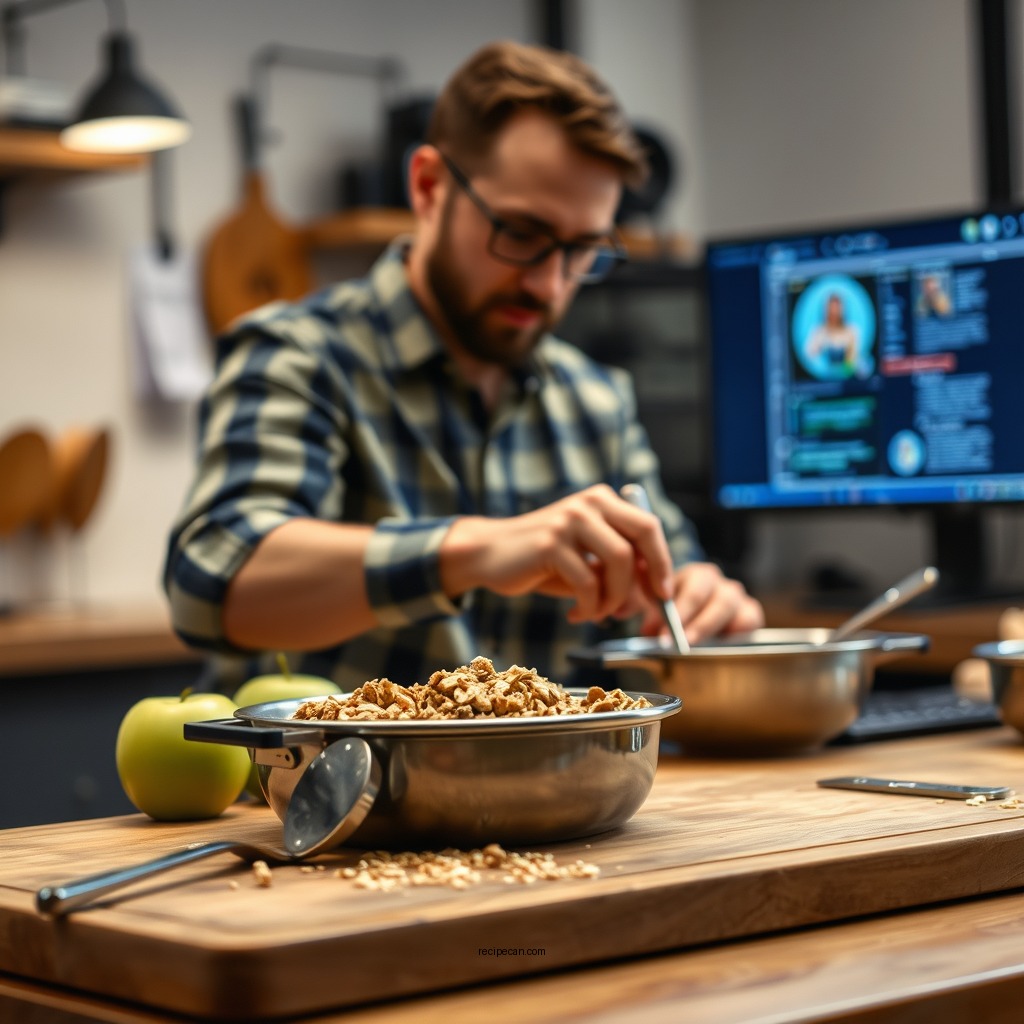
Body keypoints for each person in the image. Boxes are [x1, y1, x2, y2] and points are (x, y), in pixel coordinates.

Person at [163, 40, 763, 690]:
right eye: (522, 233)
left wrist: (703, 601)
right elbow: (213, 580)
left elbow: (672, 583)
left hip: (558, 764)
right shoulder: (298, 355)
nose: (549, 283)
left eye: (582, 250)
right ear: (428, 186)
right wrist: (474, 550)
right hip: (339, 761)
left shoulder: (596, 403)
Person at [806, 292, 859, 376]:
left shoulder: (851, 331)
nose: (834, 312)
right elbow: (809, 356)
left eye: (836, 308)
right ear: (826, 309)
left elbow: (854, 361)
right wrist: (819, 346)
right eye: (831, 308)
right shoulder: (819, 331)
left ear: (841, 309)